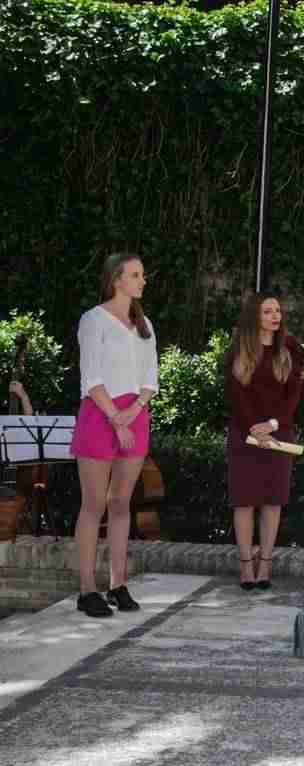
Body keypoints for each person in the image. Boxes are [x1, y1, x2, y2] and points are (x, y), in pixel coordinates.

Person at [68, 253, 159, 618]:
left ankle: (117, 584)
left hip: (133, 415)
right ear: (116, 279)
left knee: (121, 502)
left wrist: (132, 413)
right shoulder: (93, 320)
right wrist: (115, 419)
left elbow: (150, 379)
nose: (142, 281)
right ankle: (87, 590)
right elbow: (91, 377)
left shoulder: (144, 323)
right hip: (100, 414)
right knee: (94, 504)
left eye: (142, 275)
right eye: (135, 275)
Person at [225, 292, 304, 592]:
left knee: (273, 502)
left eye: (278, 311)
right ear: (254, 316)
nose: (275, 316)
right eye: (267, 311)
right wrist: (253, 428)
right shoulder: (239, 348)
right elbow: (235, 394)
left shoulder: (291, 348)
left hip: (279, 433)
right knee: (244, 501)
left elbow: (293, 394)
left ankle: (266, 565)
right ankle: (246, 566)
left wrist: (271, 425)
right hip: (244, 435)